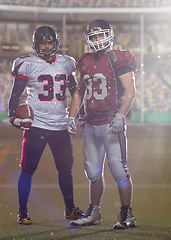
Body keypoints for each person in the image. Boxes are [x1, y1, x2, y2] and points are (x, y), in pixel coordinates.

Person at [8, 25, 85, 225]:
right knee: (27, 169)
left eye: (50, 42)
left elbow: (75, 90)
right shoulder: (27, 63)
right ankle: (22, 212)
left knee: (65, 169)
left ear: (56, 43)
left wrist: (81, 114)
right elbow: (15, 93)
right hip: (37, 125)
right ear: (36, 44)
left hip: (60, 125)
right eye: (43, 42)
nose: (47, 46)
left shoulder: (67, 63)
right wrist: (11, 115)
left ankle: (70, 209)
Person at [67, 19, 137, 229]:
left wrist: (120, 115)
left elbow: (130, 91)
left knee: (118, 170)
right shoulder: (85, 61)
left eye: (101, 35)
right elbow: (80, 91)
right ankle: (94, 212)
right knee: (93, 171)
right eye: (94, 36)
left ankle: (127, 215)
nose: (98, 40)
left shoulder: (119, 57)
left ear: (109, 35)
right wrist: (71, 116)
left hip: (111, 122)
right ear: (89, 39)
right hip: (91, 123)